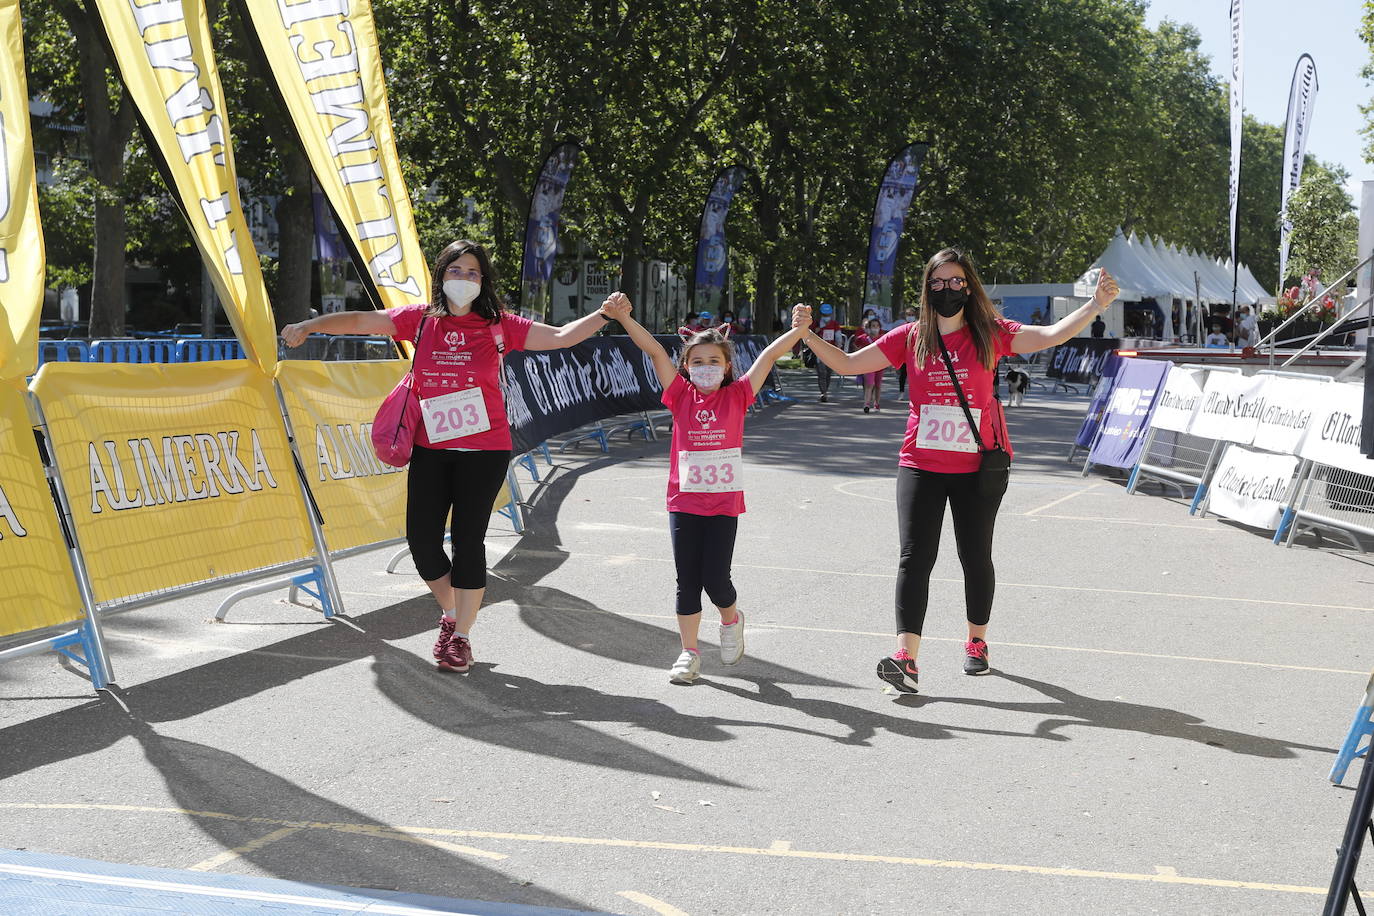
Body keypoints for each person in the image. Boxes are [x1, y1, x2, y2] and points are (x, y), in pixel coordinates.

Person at [280, 240, 618, 674]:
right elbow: (364, 319)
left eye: (473, 273)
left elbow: (559, 337)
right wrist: (314, 325)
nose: (464, 279)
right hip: (431, 448)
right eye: (455, 270)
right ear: (441, 276)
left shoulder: (500, 326)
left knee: (467, 542)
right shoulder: (419, 320)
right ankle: (455, 614)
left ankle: (460, 638)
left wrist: (604, 314)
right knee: (421, 542)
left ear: (483, 281)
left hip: (486, 451)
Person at [796, 248, 1119, 693]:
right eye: (938, 282)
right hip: (921, 464)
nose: (947, 289)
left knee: (975, 556)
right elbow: (850, 365)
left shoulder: (990, 333)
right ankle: (906, 658)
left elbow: (1048, 335)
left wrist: (1096, 305)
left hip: (976, 468)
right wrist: (807, 335)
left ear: (969, 286)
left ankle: (976, 643)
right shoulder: (910, 336)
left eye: (956, 282)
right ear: (927, 288)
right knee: (914, 557)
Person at [606, 295, 806, 683]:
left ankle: (731, 620)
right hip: (684, 503)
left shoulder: (739, 395)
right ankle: (689, 652)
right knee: (687, 580)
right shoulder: (680, 395)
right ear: (685, 367)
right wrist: (625, 318)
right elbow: (651, 350)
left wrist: (798, 330)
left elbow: (767, 356)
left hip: (723, 505)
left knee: (716, 579)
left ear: (727, 366)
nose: (705, 368)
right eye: (697, 361)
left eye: (714, 361)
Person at [850, 317, 885, 412]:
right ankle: (866, 404)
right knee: (869, 384)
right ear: (869, 327)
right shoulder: (864, 338)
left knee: (877, 385)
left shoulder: (882, 338)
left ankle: (876, 403)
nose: (875, 328)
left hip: (880, 365)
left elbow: (887, 350)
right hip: (868, 365)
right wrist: (858, 355)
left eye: (877, 326)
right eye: (873, 326)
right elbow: (855, 345)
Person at [811, 303, 844, 402]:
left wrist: (839, 349)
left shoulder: (835, 324)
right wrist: (816, 331)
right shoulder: (816, 324)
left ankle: (825, 391)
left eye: (828, 315)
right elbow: (810, 335)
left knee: (828, 373)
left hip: (831, 352)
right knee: (822, 373)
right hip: (819, 352)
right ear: (821, 314)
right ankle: (823, 393)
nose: (826, 317)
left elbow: (838, 338)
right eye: (824, 315)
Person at [895, 305, 917, 393]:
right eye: (908, 314)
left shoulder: (918, 326)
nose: (910, 316)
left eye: (912, 314)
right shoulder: (902, 327)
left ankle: (915, 392)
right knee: (903, 374)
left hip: (915, 354)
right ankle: (901, 392)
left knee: (916, 374)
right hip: (905, 354)